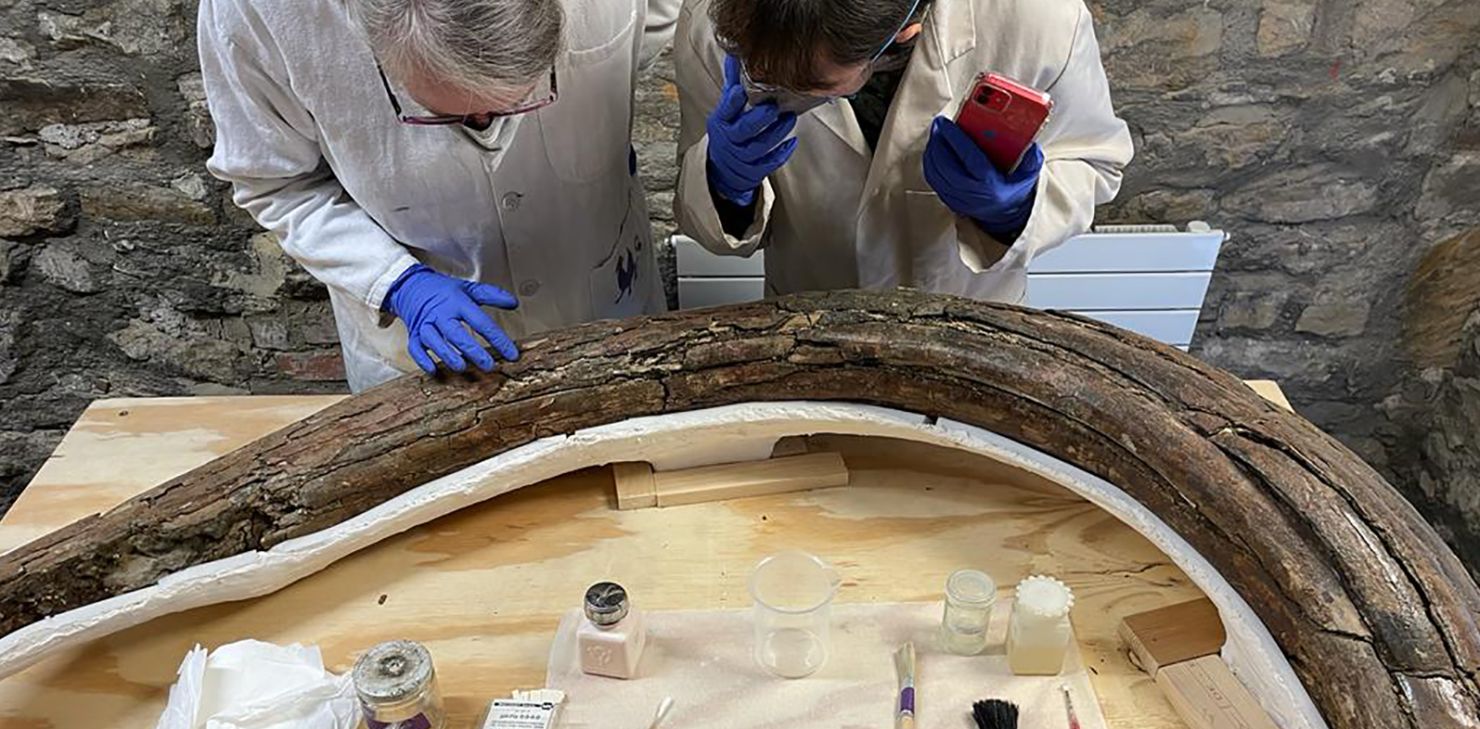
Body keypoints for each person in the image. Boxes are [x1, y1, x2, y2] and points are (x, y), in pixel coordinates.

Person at [199, 0, 679, 392]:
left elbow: (654, 24)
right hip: (416, 354)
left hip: (607, 302)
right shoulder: (258, 15)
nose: (485, 128)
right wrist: (396, 283)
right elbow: (276, 183)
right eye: (442, 113)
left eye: (516, 101)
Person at [673, 0, 1133, 302]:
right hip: (807, 323)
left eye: (814, 85)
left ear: (904, 33)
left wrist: (1013, 210)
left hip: (972, 326)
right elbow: (705, 217)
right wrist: (723, 183)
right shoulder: (710, 21)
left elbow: (1096, 161)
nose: (788, 90)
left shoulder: (1037, 18)